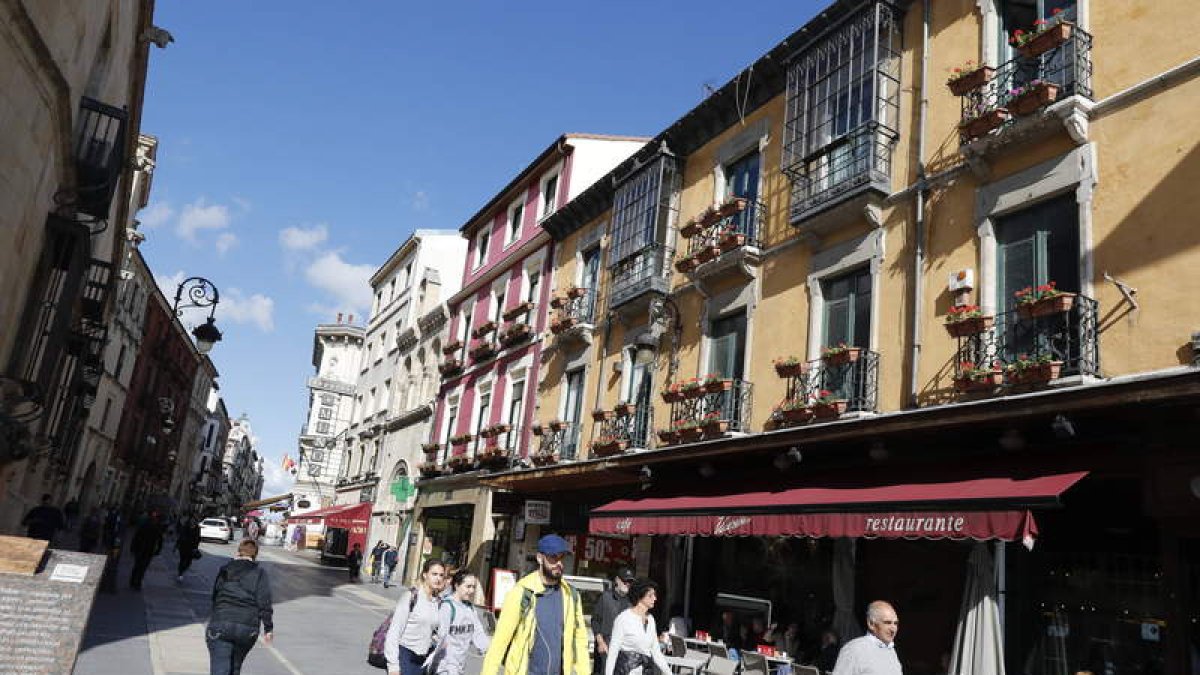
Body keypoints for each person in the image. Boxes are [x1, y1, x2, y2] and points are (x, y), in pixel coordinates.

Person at [481, 534, 591, 675]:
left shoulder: (570, 595)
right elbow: (499, 642)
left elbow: (580, 640)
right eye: (553, 558)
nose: (559, 563)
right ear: (540, 558)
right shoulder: (522, 592)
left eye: (562, 558)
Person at [207, 539, 274, 675]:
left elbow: (215, 595)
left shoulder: (225, 569)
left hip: (222, 622)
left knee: (220, 667)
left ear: (238, 551)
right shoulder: (260, 573)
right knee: (235, 667)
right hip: (247, 627)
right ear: (255, 555)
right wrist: (268, 628)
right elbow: (264, 602)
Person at [385, 558, 448, 675]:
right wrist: (393, 665)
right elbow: (394, 632)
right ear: (425, 575)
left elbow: (432, 629)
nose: (438, 578)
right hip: (405, 656)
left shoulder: (438, 602)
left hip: (425, 659)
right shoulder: (411, 597)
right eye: (434, 574)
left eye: (441, 575)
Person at [426, 569, 491, 675]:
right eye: (468, 586)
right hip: (444, 667)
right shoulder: (447, 606)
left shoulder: (470, 608)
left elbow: (478, 632)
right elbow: (441, 639)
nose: (471, 590)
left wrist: (488, 649)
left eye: (473, 587)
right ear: (456, 585)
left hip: (459, 666)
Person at [605, 579, 671, 675]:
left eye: (655, 595)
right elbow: (613, 651)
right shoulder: (623, 619)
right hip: (626, 670)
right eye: (650, 595)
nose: (655, 598)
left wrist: (669, 673)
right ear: (640, 597)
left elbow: (656, 653)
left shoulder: (651, 619)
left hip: (646, 671)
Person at [831, 601, 901, 675]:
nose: (893, 629)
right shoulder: (854, 649)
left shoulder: (890, 650)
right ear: (871, 624)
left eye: (895, 623)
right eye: (887, 623)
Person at [592, 567, 635, 674]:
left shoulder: (630, 603)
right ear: (617, 580)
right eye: (625, 581)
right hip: (605, 645)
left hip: (622, 650)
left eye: (630, 582)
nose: (627, 584)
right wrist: (600, 642)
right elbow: (595, 620)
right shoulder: (605, 597)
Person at [129, 512, 164, 590]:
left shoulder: (144, 526)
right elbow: (160, 540)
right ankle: (137, 583)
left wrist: (132, 548)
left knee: (138, 566)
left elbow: (136, 537)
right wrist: (158, 550)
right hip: (147, 550)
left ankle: (133, 581)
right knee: (142, 567)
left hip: (142, 549)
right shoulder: (156, 527)